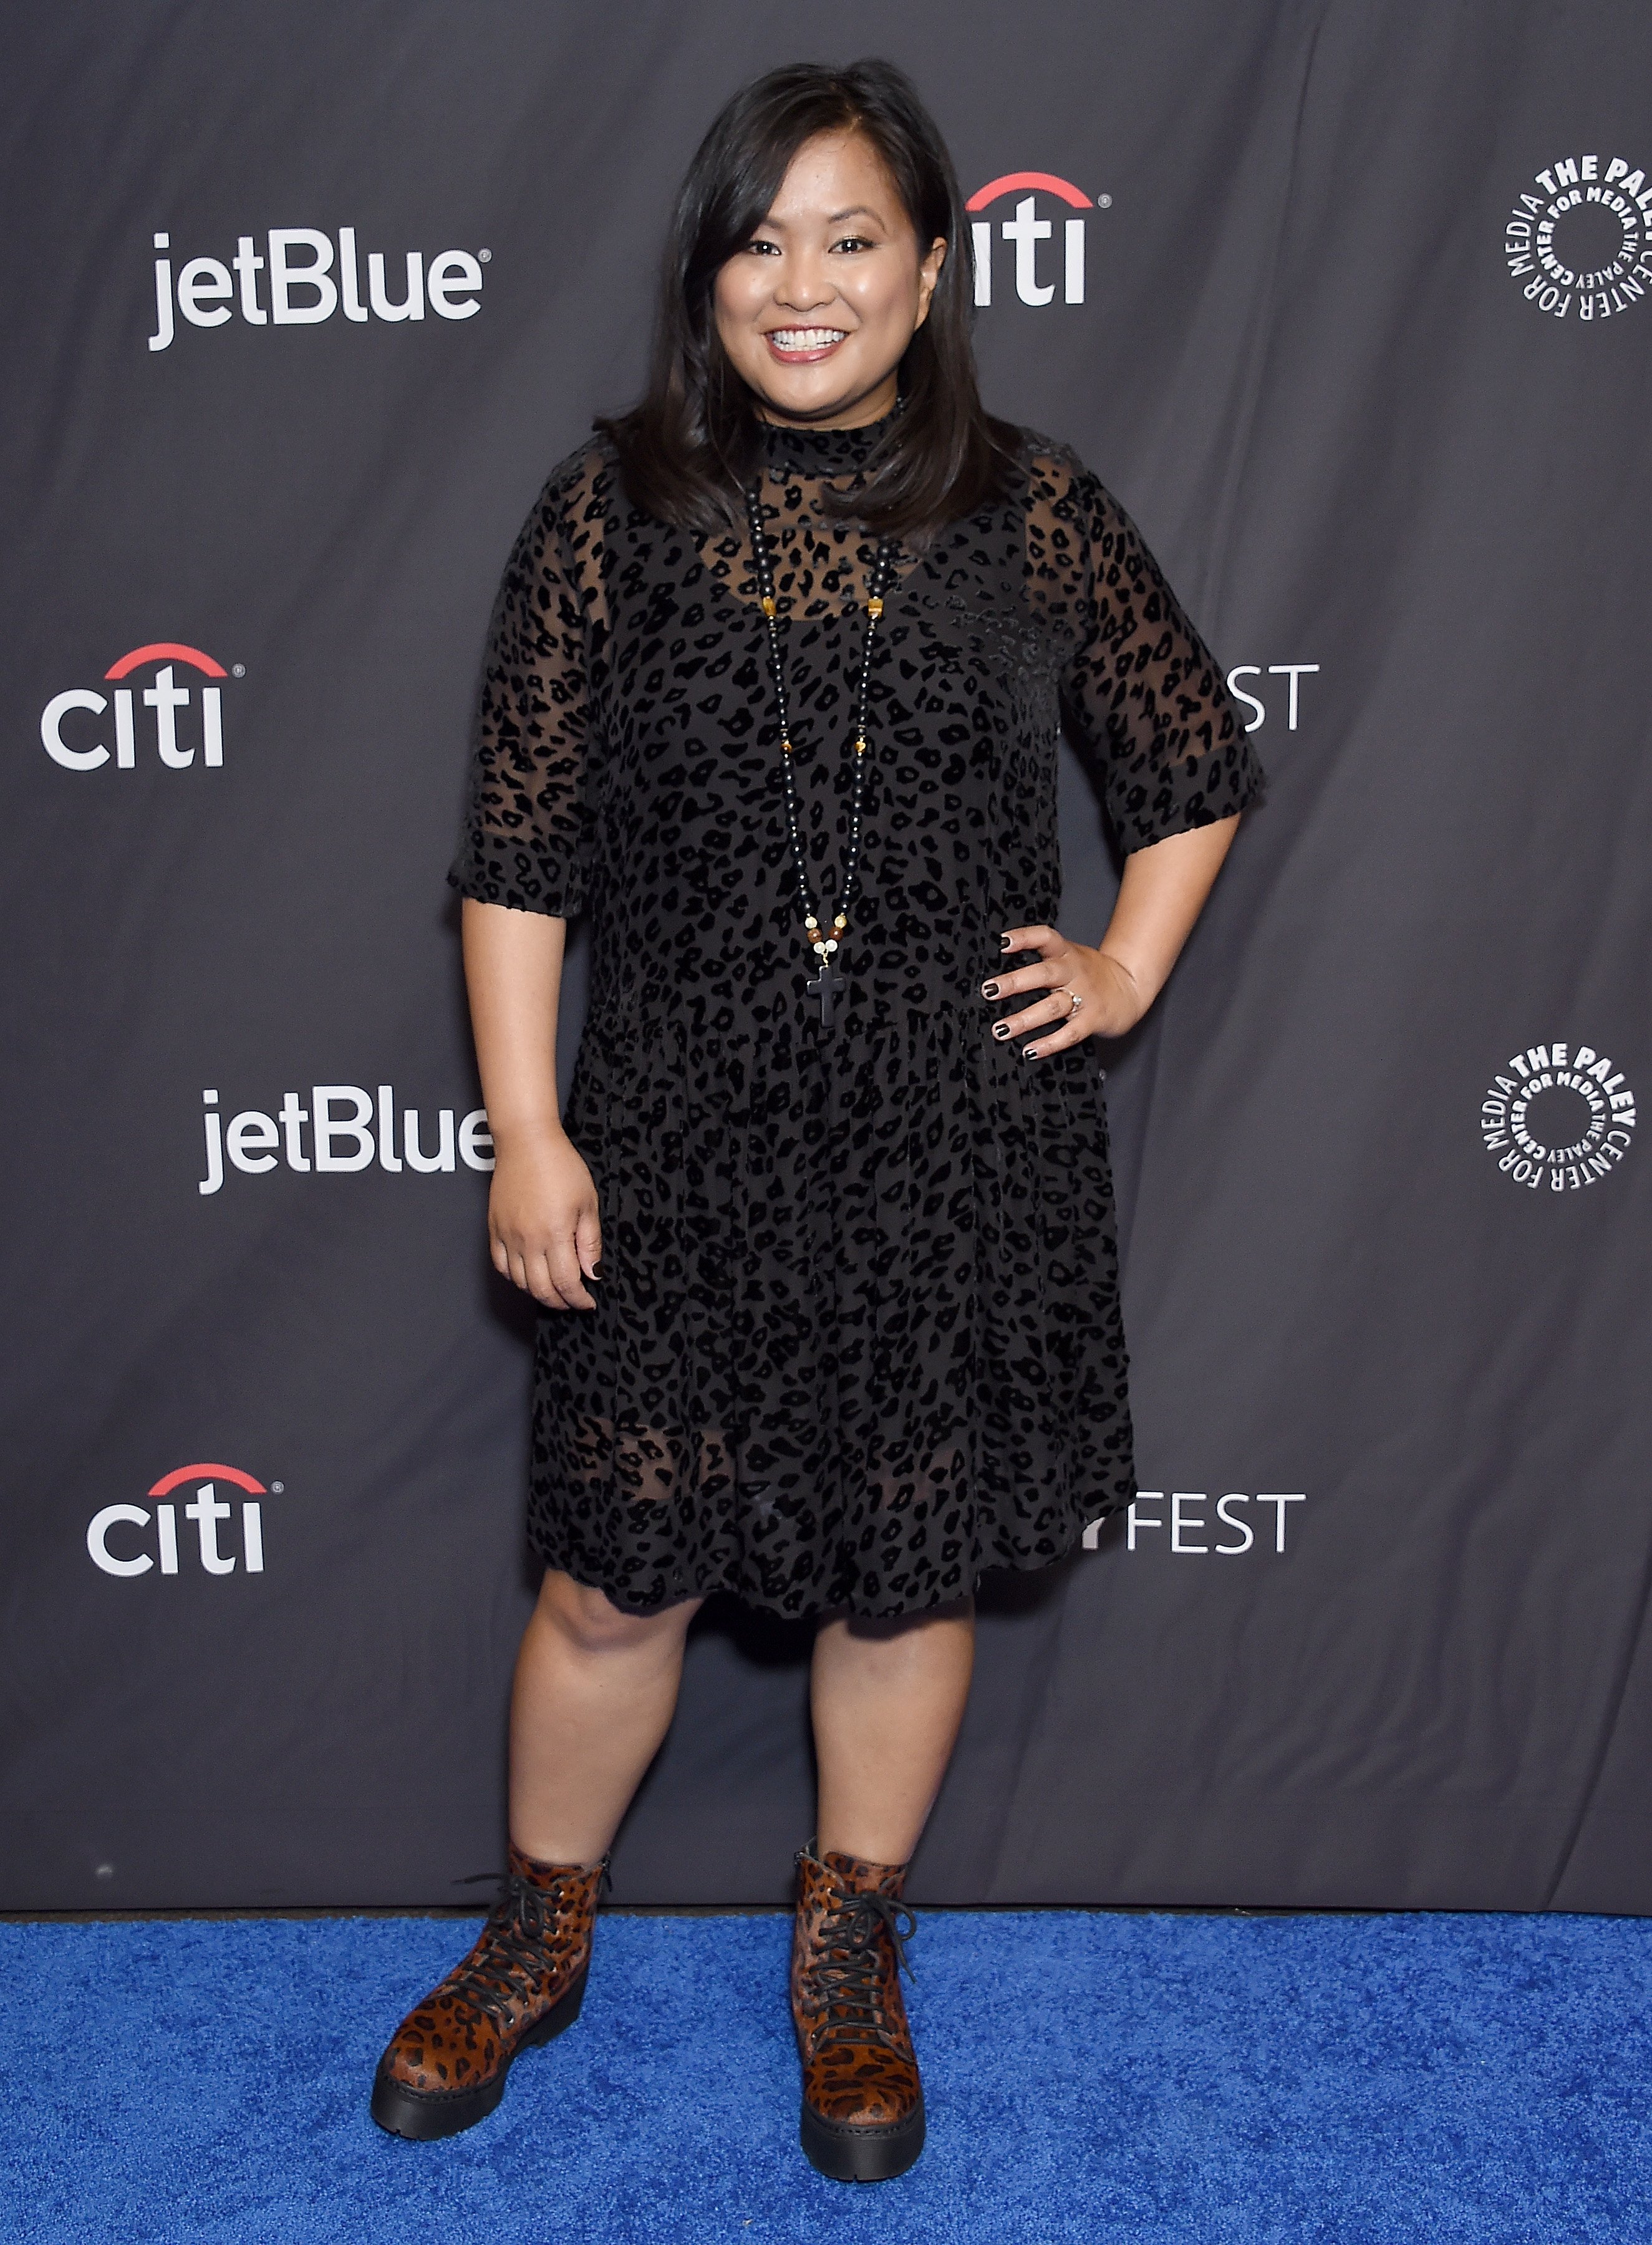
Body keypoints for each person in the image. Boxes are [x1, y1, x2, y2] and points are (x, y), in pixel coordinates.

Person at [369, 56, 1262, 2182]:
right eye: (759, 240)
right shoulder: (609, 512)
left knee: (900, 1574)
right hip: (671, 1138)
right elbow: (516, 856)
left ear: (932, 264)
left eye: (849, 236)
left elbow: (1192, 762)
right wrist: (526, 1128)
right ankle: (535, 1936)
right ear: (707, 278)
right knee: (611, 1581)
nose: (802, 282)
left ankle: (849, 1947)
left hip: (951, 1146)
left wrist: (1122, 969)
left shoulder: (1033, 509)